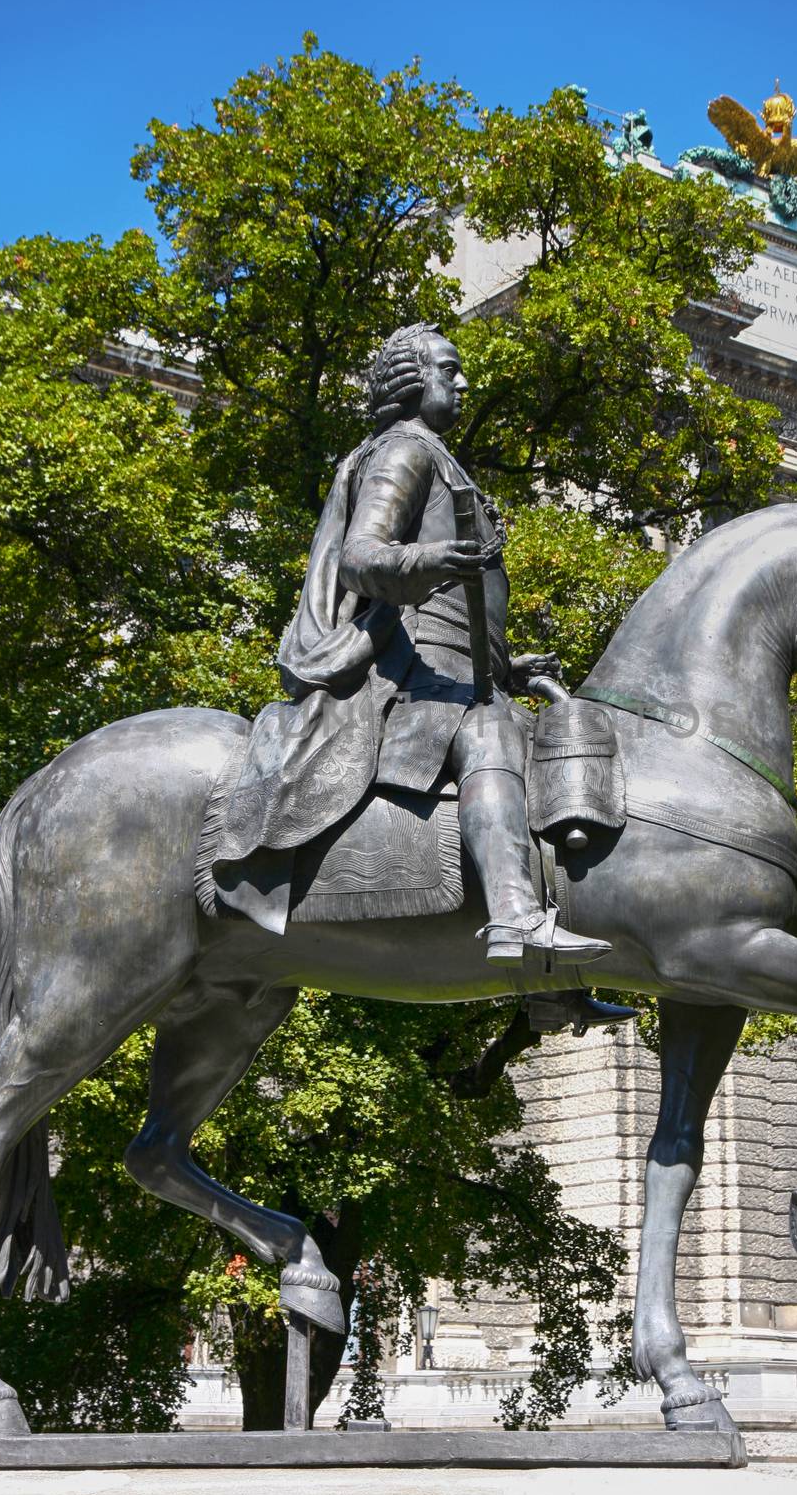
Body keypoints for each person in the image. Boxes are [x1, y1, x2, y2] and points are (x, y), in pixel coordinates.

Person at [214, 322, 633, 1034]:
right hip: (408, 681)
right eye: (450, 369)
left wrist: (507, 662)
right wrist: (438, 558)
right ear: (411, 380)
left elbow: (455, 617)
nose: (462, 382)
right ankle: (515, 921)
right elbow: (362, 557)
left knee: (547, 752)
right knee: (491, 735)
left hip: (456, 670)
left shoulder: (439, 457)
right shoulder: (407, 452)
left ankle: (550, 980)